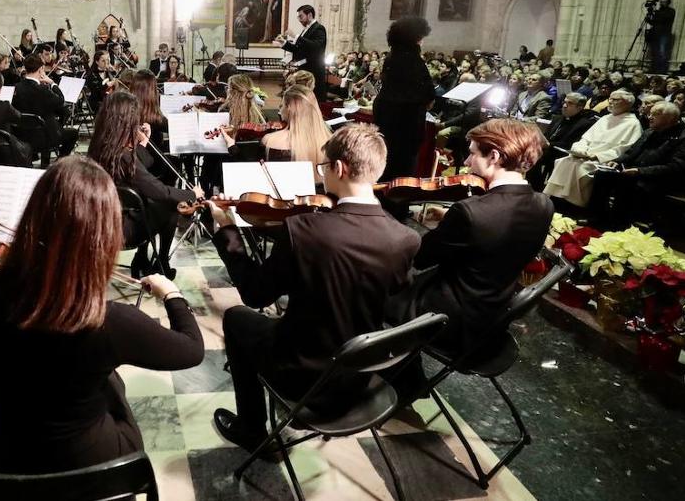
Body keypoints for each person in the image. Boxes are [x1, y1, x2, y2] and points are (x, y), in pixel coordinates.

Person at [0, 156, 202, 473]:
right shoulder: (108, 321)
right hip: (89, 467)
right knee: (110, 381)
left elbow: (19, 308)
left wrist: (1, 269)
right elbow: (191, 349)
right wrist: (172, 295)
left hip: (4, 455)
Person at [208, 124, 420, 451]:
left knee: (236, 318)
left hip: (303, 374)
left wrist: (228, 231)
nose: (322, 177)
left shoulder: (303, 230)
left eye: (324, 169)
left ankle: (252, 428)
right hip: (363, 373)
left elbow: (255, 293)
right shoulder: (405, 239)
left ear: (339, 168)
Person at [386, 119, 552, 398]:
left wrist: (442, 227)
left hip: (450, 321)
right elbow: (496, 240)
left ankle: (395, 380)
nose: (467, 160)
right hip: (493, 315)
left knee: (376, 287)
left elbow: (422, 257)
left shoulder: (471, 212)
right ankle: (407, 378)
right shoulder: (543, 204)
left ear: (495, 156)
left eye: (474, 152)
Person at [88, 91, 202, 278]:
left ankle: (143, 260)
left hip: (102, 219)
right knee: (169, 205)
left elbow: (141, 166)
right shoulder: (122, 154)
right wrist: (192, 194)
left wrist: (143, 143)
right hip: (120, 229)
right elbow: (159, 190)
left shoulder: (100, 145)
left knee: (154, 202)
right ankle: (161, 263)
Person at [588, 101, 685, 230]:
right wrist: (617, 162)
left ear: (671, 118)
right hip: (637, 173)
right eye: (650, 114)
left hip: (665, 179)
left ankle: (618, 224)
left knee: (626, 182)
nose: (650, 117)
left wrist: (640, 171)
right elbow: (631, 152)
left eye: (656, 114)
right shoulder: (649, 132)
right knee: (603, 175)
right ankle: (598, 218)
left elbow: (676, 167)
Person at [543, 89, 642, 208]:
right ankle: (557, 200)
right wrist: (580, 150)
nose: (610, 102)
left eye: (615, 100)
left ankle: (574, 205)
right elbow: (585, 139)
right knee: (564, 161)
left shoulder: (633, 124)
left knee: (581, 167)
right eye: (610, 98)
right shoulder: (605, 118)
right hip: (585, 155)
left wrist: (596, 156)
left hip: (603, 160)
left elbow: (623, 149)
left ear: (627, 103)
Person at [373, 17, 434, 180]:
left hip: (386, 119)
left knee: (384, 166)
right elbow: (428, 94)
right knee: (402, 174)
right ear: (415, 38)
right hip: (407, 126)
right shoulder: (414, 61)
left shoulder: (391, 58)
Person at [12, 54, 77, 165]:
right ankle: (59, 162)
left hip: (22, 135)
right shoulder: (42, 89)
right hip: (44, 137)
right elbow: (60, 100)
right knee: (73, 133)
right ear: (41, 69)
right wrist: (52, 83)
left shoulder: (16, 87)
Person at [529, 92, 598, 188]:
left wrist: (549, 144)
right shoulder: (557, 118)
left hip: (563, 153)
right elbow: (547, 136)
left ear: (580, 107)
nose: (564, 106)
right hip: (548, 150)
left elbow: (572, 144)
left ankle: (538, 188)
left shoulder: (584, 124)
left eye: (569, 103)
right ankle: (534, 186)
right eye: (564, 102)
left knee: (535, 156)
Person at [261, 87, 331, 180]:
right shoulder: (331, 141)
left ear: (288, 108)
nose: (280, 111)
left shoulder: (270, 140)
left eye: (281, 106)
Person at [274, 4, 327, 100]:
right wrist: (284, 43)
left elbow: (316, 47)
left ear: (310, 15)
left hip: (314, 71)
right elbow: (299, 49)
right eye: (298, 17)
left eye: (301, 16)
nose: (299, 19)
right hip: (305, 70)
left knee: (313, 100)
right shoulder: (306, 30)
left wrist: (296, 36)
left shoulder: (319, 28)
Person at [645, 0, 675, 73]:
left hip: (664, 34)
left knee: (662, 52)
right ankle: (653, 68)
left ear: (668, 3)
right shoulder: (658, 12)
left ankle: (661, 70)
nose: (662, 3)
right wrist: (649, 18)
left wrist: (656, 12)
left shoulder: (670, 11)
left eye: (664, 2)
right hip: (655, 34)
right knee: (654, 52)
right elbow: (654, 22)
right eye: (661, 2)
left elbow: (664, 19)